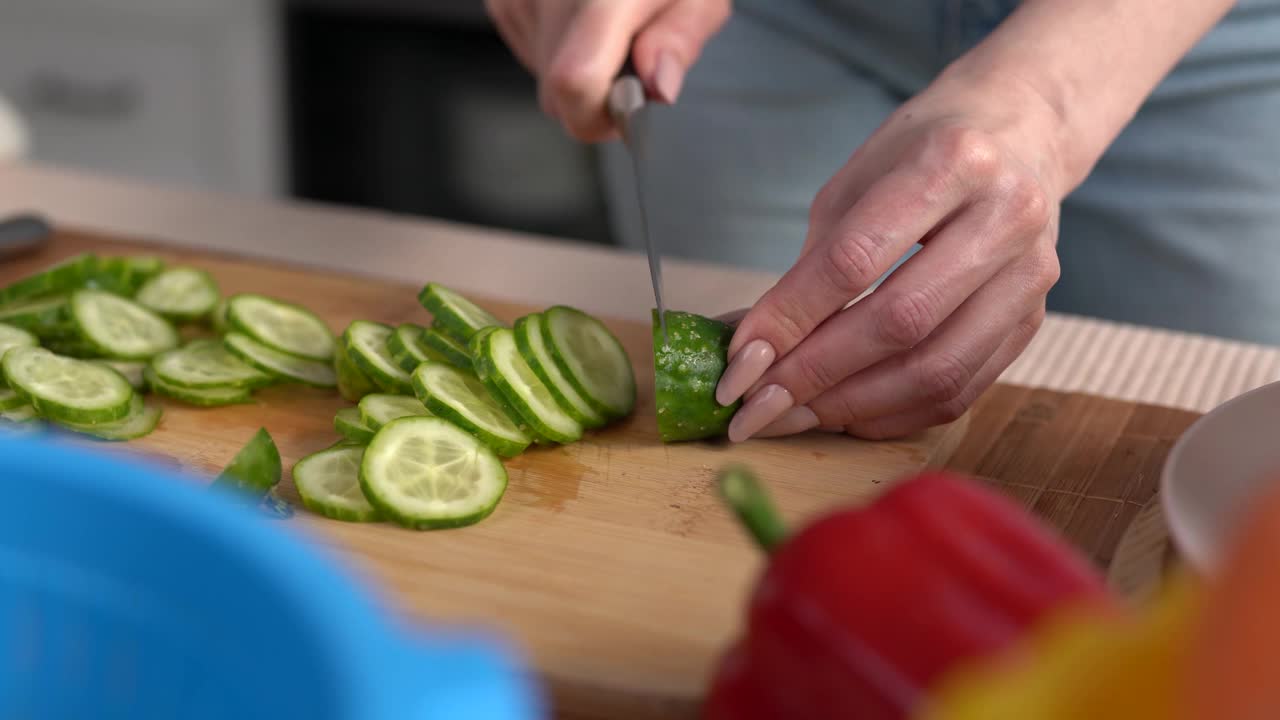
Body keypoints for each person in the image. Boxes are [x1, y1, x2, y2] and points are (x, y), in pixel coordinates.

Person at [484, 0, 1280, 442]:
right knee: (818, 422)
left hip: (1191, 37)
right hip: (772, 23)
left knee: (1208, 442)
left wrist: (1044, 95)